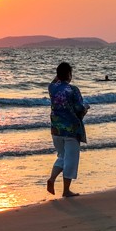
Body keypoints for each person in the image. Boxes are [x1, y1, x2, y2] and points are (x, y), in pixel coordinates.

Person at [46, 61, 88, 198]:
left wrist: (60, 75)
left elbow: (55, 81)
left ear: (57, 75)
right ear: (69, 74)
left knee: (62, 156)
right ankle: (66, 190)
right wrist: (86, 108)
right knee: (71, 159)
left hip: (56, 129)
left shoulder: (52, 88)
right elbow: (79, 109)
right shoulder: (73, 90)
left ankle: (52, 179)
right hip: (71, 129)